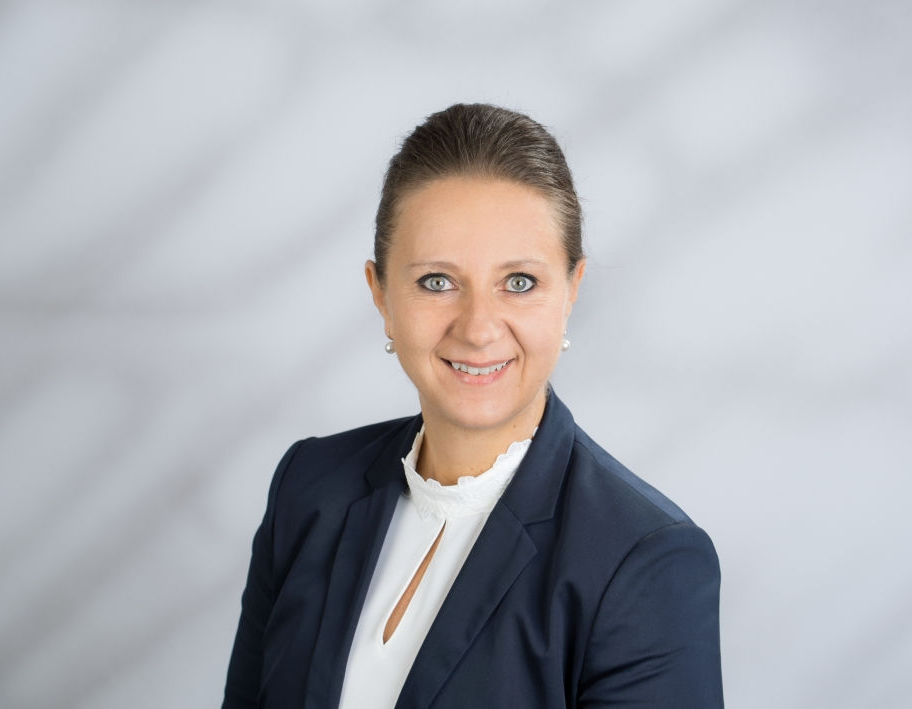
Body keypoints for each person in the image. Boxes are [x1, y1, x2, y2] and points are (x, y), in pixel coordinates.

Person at [222, 103, 723, 708]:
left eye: (519, 283)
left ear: (571, 290)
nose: (479, 328)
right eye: (437, 281)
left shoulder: (644, 560)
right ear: (380, 293)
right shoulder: (309, 488)